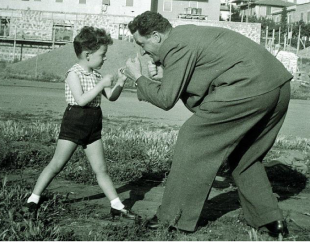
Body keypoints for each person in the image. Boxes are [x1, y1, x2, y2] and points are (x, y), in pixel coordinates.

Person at [123, 11, 292, 236]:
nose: (142, 51)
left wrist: (138, 78)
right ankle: (270, 220)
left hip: (249, 86)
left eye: (141, 44)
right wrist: (162, 76)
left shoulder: (174, 45)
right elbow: (202, 76)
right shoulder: (186, 36)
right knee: (245, 155)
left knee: (192, 137)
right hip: (278, 85)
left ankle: (172, 218)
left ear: (156, 36)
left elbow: (166, 99)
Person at [25, 26, 137, 220]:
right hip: (75, 120)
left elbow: (111, 97)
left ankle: (117, 205)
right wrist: (101, 85)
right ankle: (33, 199)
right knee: (57, 164)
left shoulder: (95, 74)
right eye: (102, 54)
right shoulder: (73, 73)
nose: (105, 58)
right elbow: (81, 100)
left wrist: (120, 81)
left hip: (93, 122)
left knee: (101, 169)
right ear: (87, 55)